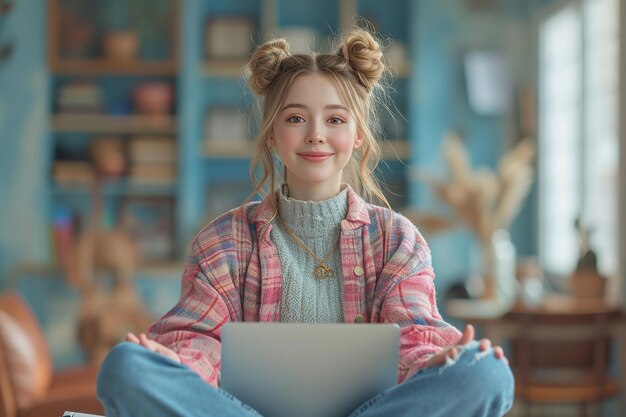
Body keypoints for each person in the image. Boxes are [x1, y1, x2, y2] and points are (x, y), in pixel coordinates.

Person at [96, 27, 514, 417]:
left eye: (335, 119)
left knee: (488, 373)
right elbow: (200, 338)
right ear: (273, 134)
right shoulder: (222, 241)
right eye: (296, 118)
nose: (316, 134)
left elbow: (414, 334)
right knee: (126, 367)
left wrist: (436, 361)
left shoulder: (396, 238)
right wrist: (176, 360)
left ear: (358, 136)